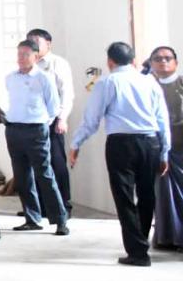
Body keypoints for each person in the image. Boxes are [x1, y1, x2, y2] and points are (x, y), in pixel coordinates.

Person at [69, 42, 172, 267]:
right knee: (147, 195)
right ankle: (141, 244)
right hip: (150, 143)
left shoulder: (107, 82)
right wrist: (164, 152)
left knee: (124, 197)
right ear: (133, 61)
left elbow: (92, 120)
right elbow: (162, 120)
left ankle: (137, 252)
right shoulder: (150, 82)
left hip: (121, 144)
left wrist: (76, 143)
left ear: (110, 62)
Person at [2, 39, 67, 235]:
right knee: (22, 177)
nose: (21, 58)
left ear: (36, 56)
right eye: (19, 54)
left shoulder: (44, 78)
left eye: (26, 54)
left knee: (44, 174)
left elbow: (53, 107)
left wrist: (40, 124)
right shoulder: (10, 78)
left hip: (36, 130)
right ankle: (32, 218)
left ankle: (60, 220)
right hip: (14, 130)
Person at [27, 27, 76, 217]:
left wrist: (62, 118)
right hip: (31, 121)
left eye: (36, 41)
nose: (32, 45)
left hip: (53, 120)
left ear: (48, 44)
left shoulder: (57, 63)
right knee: (35, 165)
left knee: (56, 163)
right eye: (29, 41)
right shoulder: (28, 65)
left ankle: (63, 205)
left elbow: (66, 93)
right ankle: (40, 206)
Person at [147, 46, 182, 251]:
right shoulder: (147, 86)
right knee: (163, 195)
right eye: (158, 58)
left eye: (168, 58)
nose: (163, 62)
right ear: (151, 63)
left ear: (176, 62)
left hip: (180, 148)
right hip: (158, 148)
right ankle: (167, 238)